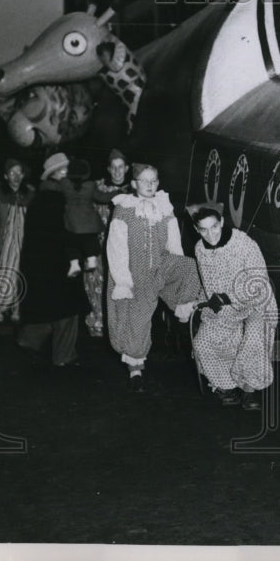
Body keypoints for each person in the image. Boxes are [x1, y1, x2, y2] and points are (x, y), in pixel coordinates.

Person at [105, 162, 201, 392]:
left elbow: (174, 243)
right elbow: (116, 249)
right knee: (136, 323)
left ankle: (182, 309)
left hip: (159, 267)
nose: (150, 185)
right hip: (133, 273)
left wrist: (176, 272)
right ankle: (136, 371)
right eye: (144, 180)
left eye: (154, 180)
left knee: (188, 266)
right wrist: (123, 282)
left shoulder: (164, 207)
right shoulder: (124, 209)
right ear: (134, 183)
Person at [175, 204, 279, 411]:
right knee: (203, 341)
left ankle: (249, 389)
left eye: (214, 227)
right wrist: (194, 303)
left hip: (257, 304)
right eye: (203, 230)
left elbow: (258, 281)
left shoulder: (243, 243)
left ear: (221, 222)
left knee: (254, 336)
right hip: (225, 310)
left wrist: (226, 297)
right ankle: (228, 387)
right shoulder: (199, 249)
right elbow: (208, 286)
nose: (210, 234)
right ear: (197, 230)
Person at [15, 167, 91, 366]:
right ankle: (64, 356)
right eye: (65, 171)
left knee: (48, 308)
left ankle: (28, 340)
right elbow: (68, 231)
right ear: (54, 175)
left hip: (40, 264)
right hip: (60, 262)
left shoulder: (40, 198)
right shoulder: (59, 199)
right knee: (68, 310)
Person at [82, 148, 131, 338]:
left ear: (126, 168)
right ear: (109, 169)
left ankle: (117, 324)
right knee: (94, 280)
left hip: (121, 246)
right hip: (98, 243)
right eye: (114, 168)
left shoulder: (133, 190)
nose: (118, 172)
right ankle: (97, 322)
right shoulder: (97, 188)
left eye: (121, 167)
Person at [0, 158, 35, 322]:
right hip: (4, 244)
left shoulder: (31, 195)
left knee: (22, 275)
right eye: (12, 173)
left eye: (19, 172)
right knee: (3, 274)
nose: (16, 176)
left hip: (24, 243)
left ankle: (18, 310)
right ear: (6, 176)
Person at [40, 153, 104, 278]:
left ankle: (76, 263)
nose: (68, 172)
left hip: (71, 235)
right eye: (64, 169)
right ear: (54, 174)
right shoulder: (51, 193)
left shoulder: (65, 186)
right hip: (59, 247)